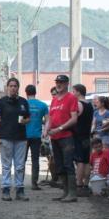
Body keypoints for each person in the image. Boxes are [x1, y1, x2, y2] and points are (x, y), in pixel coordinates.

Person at [0, 77, 30, 201]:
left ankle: (20, 190)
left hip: (21, 138)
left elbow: (28, 118)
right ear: (7, 87)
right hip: (5, 137)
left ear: (18, 88)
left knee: (20, 166)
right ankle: (6, 190)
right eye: (11, 86)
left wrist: (25, 121)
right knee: (6, 166)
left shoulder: (23, 102)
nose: (13, 88)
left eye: (15, 86)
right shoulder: (2, 102)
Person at [47, 74, 79, 202]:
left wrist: (59, 128)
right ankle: (65, 192)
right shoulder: (54, 99)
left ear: (67, 84)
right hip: (54, 137)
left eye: (61, 82)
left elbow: (74, 119)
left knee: (68, 164)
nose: (58, 84)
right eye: (57, 82)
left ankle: (72, 193)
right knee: (59, 165)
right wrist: (46, 130)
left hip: (66, 137)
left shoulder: (71, 98)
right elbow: (50, 118)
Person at [24, 84, 48, 190]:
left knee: (21, 160)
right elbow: (48, 120)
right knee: (35, 160)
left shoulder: (23, 104)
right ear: (35, 93)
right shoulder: (43, 105)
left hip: (24, 136)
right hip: (37, 135)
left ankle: (19, 182)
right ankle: (34, 183)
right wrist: (45, 131)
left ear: (26, 93)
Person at [72, 83, 94, 195]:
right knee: (86, 160)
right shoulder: (90, 105)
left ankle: (79, 184)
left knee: (79, 160)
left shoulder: (78, 104)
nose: (72, 93)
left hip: (78, 136)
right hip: (86, 135)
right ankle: (86, 184)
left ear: (78, 92)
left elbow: (74, 119)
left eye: (74, 91)